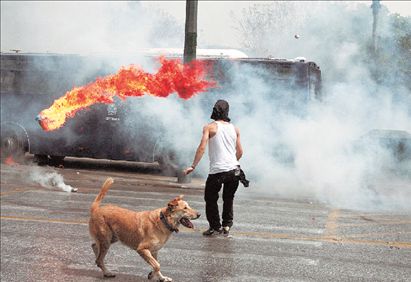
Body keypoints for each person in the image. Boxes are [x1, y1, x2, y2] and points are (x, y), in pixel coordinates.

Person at [184, 99, 243, 237]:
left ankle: (215, 227)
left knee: (210, 199)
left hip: (218, 171)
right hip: (234, 170)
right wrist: (232, 162)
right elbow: (240, 152)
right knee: (228, 198)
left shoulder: (209, 127)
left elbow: (202, 147)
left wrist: (193, 166)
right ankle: (227, 226)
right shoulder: (235, 129)